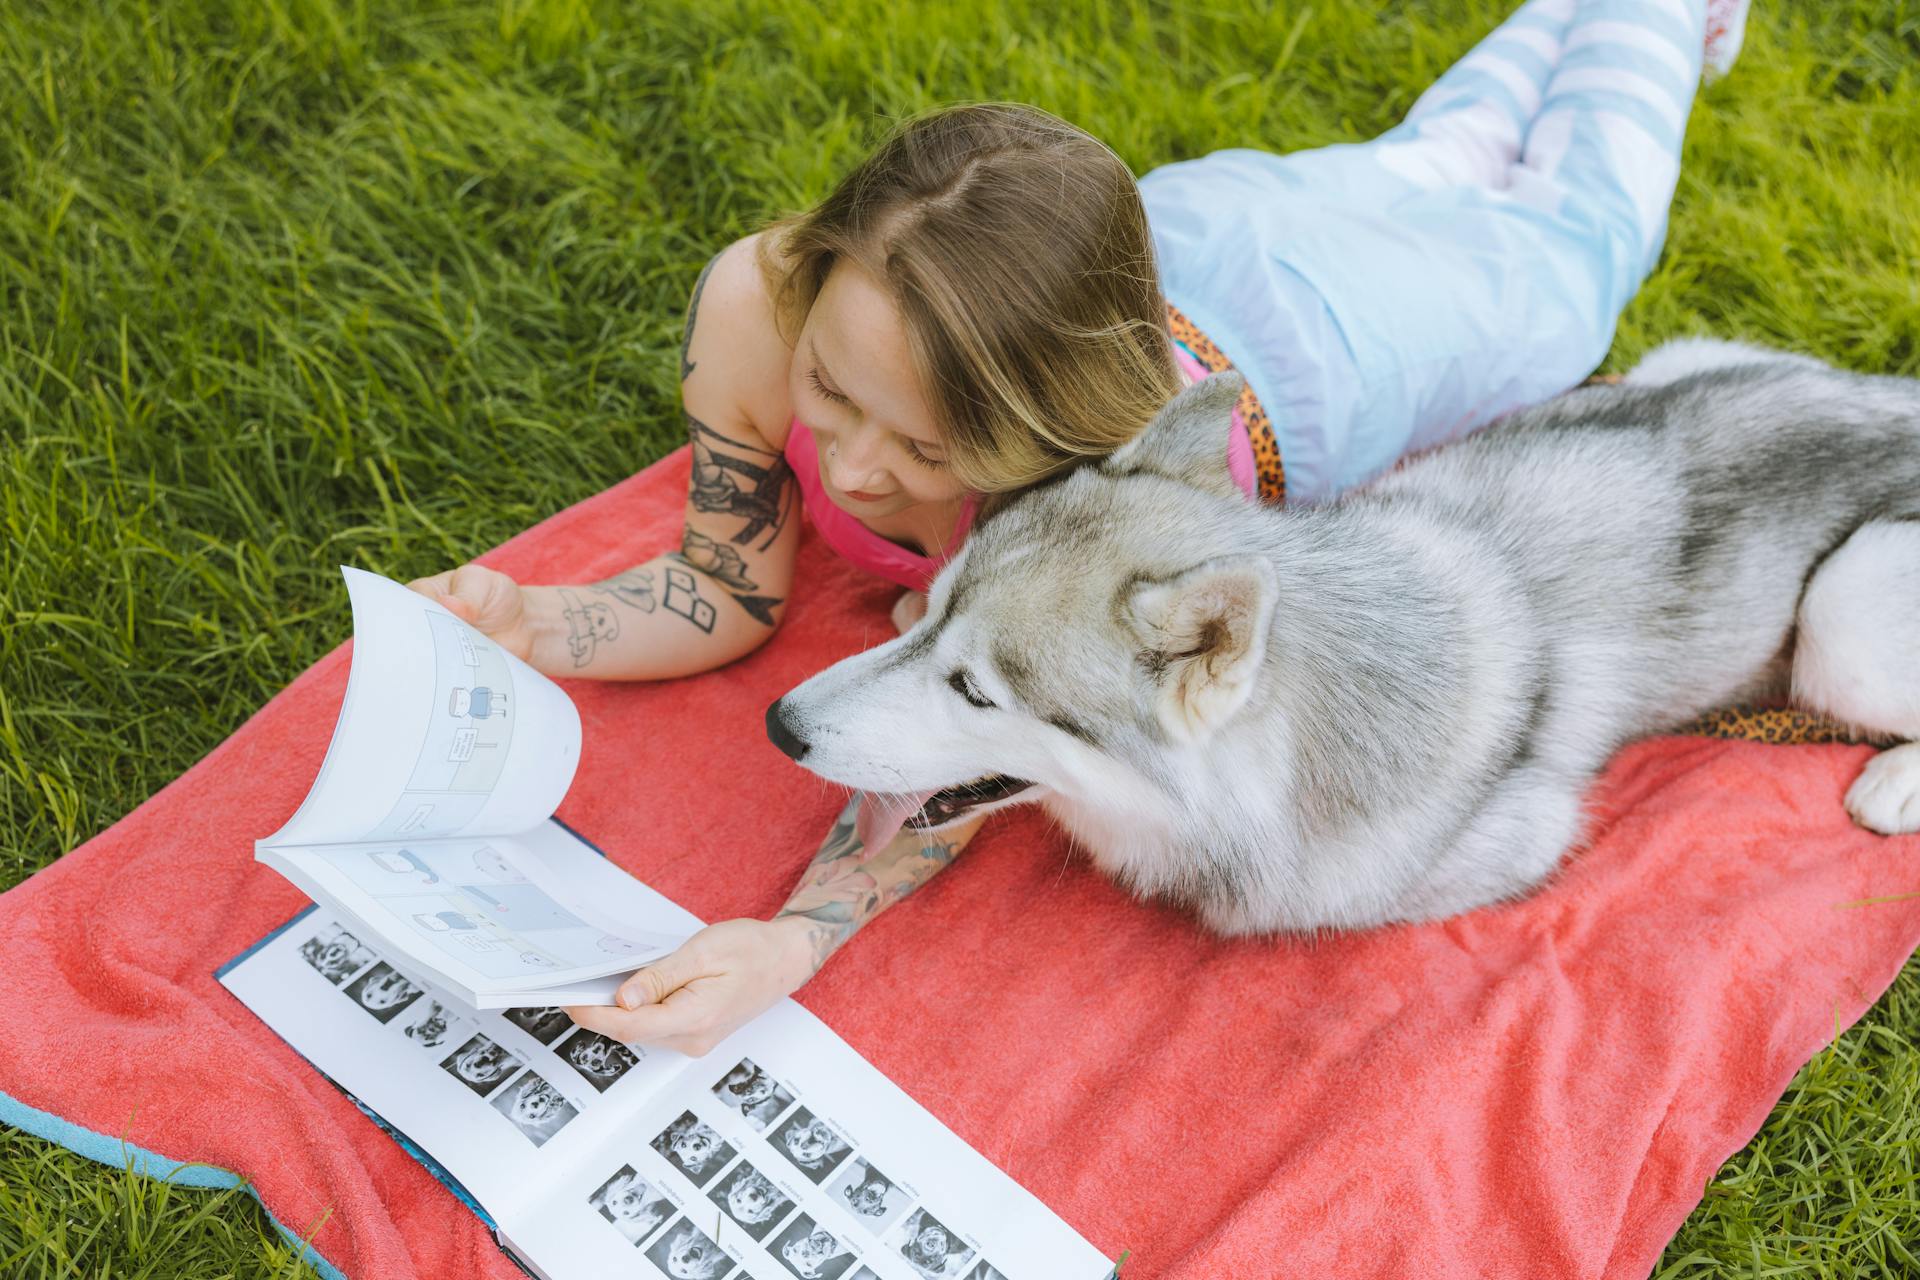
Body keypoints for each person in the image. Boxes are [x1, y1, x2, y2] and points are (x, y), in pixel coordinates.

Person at [409, 0, 1750, 1054]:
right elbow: (723, 587)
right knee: (1432, 156)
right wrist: (540, 623)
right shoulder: (755, 306)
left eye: (931, 446)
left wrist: (791, 938)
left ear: (1045, 428)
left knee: (1572, 236)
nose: (861, 473)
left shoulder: (1079, 504)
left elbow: (977, 749)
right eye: (830, 389)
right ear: (808, 274)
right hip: (1207, 234)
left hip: (1359, 339)